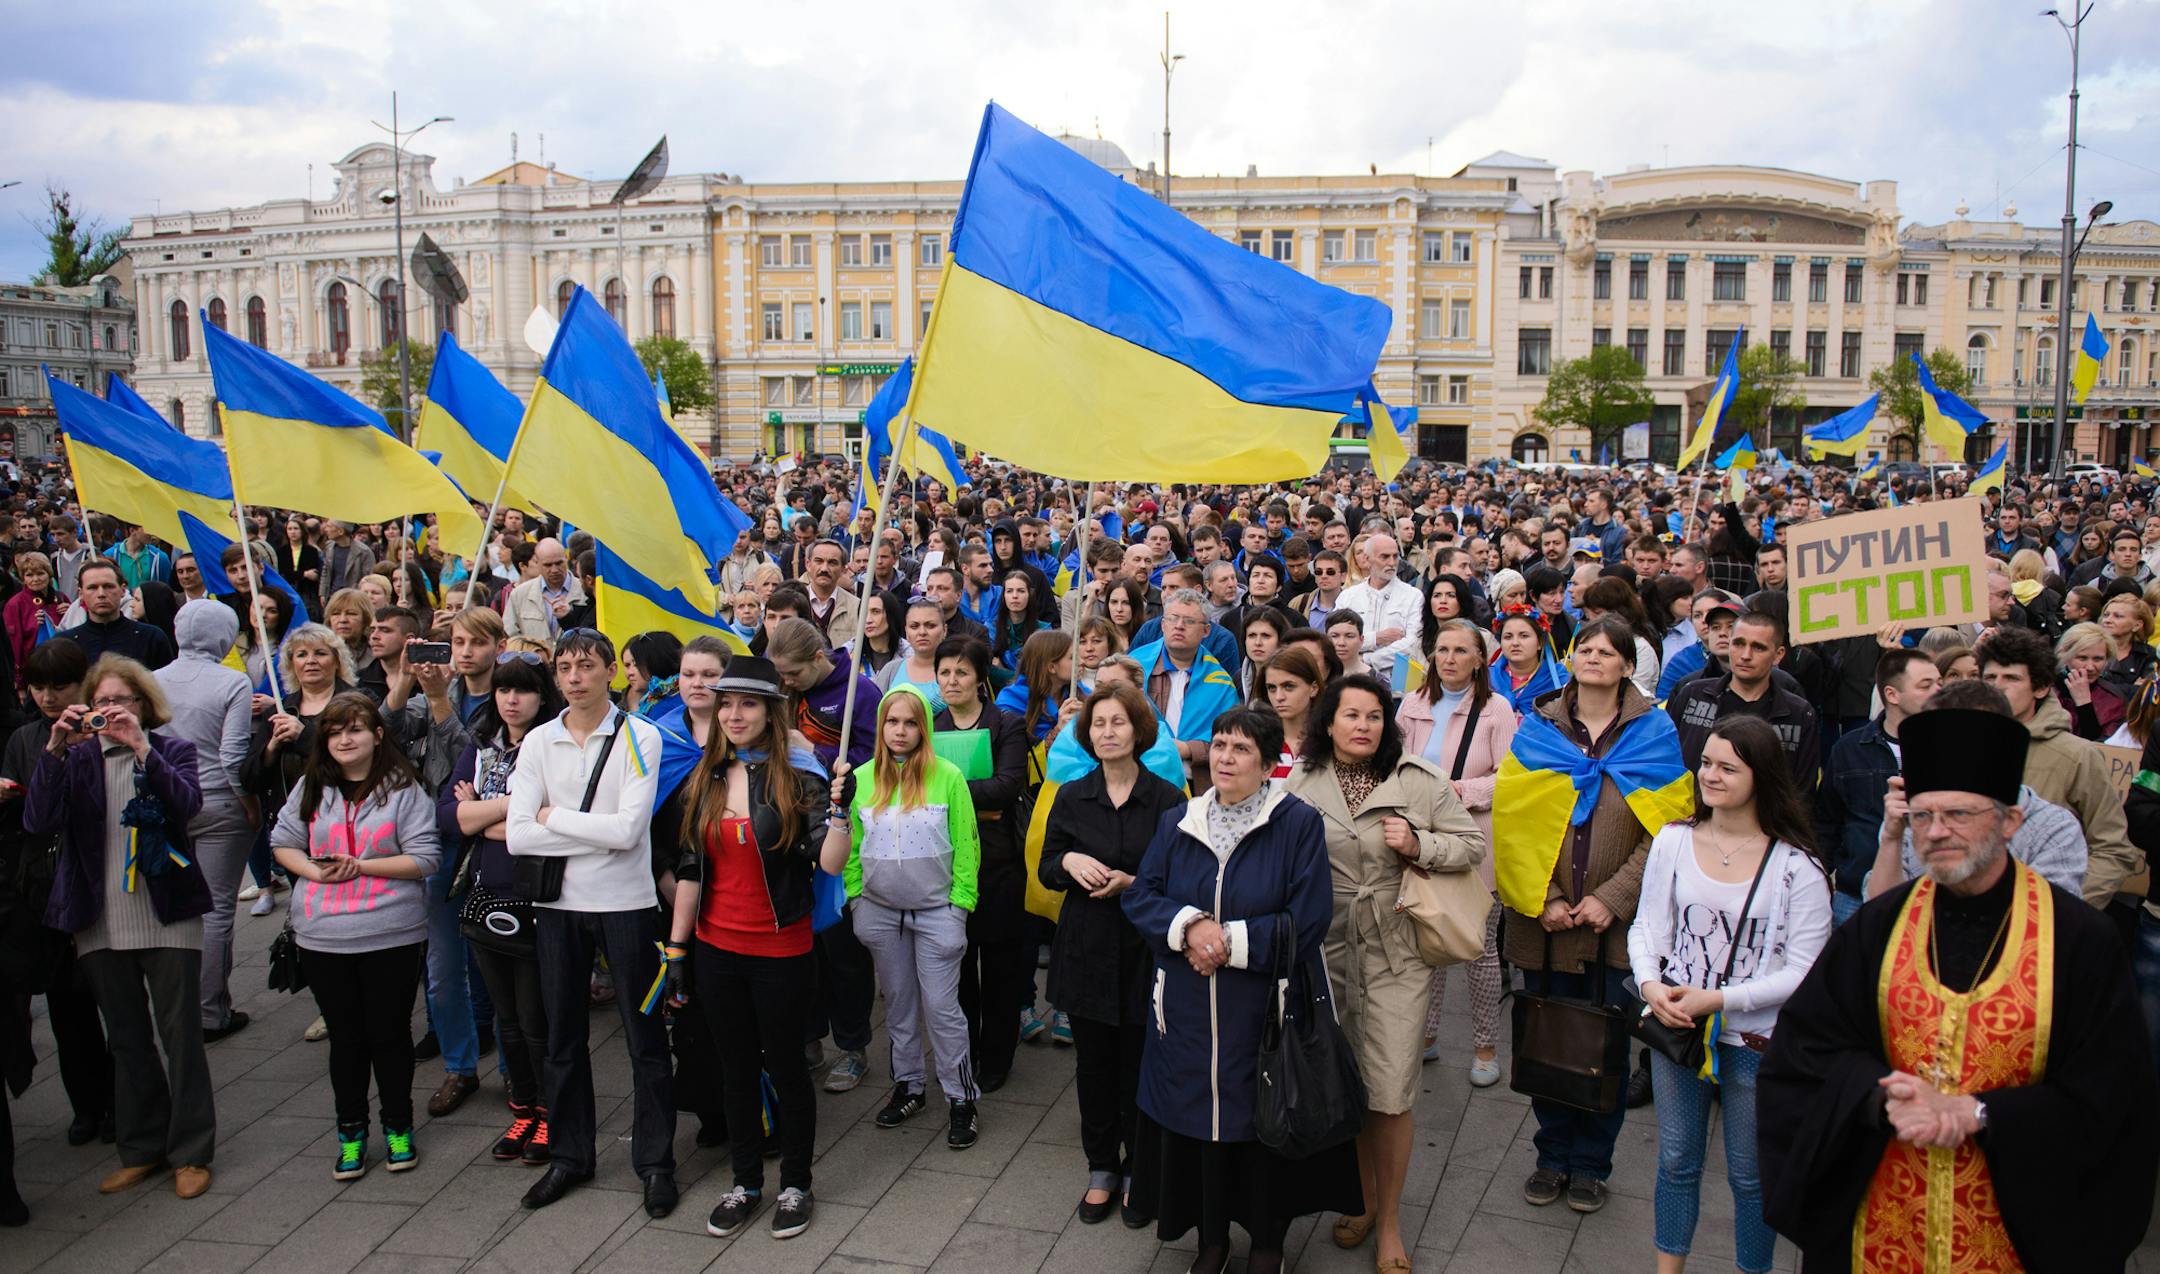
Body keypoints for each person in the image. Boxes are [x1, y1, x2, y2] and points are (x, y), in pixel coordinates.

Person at [1757, 706, 2160, 1272]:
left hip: (2016, 1232)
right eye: (1922, 817)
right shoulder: (1878, 927)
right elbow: (1803, 1055)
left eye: (1957, 814)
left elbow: (2114, 1097)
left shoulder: (2078, 940)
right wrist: (1874, 1097)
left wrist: (1980, 1114)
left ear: (2010, 821)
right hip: (1882, 1220)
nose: (1937, 832)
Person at [1121, 707, 1361, 1274]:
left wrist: (1224, 940)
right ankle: (1210, 1240)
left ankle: (1269, 1243)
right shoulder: (1181, 819)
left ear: (1270, 761)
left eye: (1241, 749)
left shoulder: (1297, 823)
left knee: (1259, 1131)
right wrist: (1189, 928)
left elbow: (1307, 917)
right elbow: (1143, 896)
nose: (1226, 759)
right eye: (1221, 746)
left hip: (1263, 1012)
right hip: (1185, 1009)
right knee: (1198, 1131)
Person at [1492, 617, 1695, 1214]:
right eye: (1586, 650)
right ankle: (1551, 1156)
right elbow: (1516, 818)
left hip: (1616, 928)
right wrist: (1548, 896)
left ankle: (1591, 1165)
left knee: (1605, 1044)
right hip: (1547, 920)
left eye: (1609, 652)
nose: (1595, 659)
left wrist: (1614, 898)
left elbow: (1667, 827)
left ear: (1628, 666)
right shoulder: (1540, 725)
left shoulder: (1655, 730)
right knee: (1546, 1036)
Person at [1288, 674, 1484, 1272]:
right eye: (1351, 715)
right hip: (1325, 952)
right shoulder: (1299, 783)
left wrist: (1420, 843)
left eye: (1375, 716)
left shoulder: (1415, 781)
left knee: (1392, 1090)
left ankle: (1391, 1220)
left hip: (1397, 949)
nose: (1363, 727)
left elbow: (1472, 844)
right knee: (1346, 1081)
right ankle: (1363, 1199)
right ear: (1328, 721)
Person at [1628, 717, 1832, 1274]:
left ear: (1760, 775)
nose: (1710, 776)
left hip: (1757, 1043)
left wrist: (1719, 1001)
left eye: (1727, 767)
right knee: (1675, 1161)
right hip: (1677, 1029)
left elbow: (1804, 970)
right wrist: (1651, 986)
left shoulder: (1797, 867)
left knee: (1750, 1174)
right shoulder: (1673, 840)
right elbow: (1647, 926)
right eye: (1707, 763)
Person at [504, 629, 677, 1218]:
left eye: (587, 666)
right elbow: (517, 832)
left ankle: (655, 1163)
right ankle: (570, 1157)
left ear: (612, 671)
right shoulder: (538, 743)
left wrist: (554, 817)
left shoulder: (641, 736)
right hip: (558, 909)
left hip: (626, 907)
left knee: (645, 1039)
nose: (574, 678)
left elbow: (630, 832)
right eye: (565, 668)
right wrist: (580, 828)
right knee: (562, 1040)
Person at [27, 654, 212, 1200]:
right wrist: (55, 750)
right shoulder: (77, 758)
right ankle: (142, 1147)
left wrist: (141, 748)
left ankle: (192, 1151)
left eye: (121, 701)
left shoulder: (169, 749)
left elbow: (188, 807)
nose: (111, 709)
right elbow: (38, 821)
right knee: (127, 1040)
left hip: (167, 913)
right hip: (98, 918)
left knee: (181, 1038)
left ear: (143, 704)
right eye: (101, 701)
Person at [663, 656, 826, 1241]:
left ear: (770, 711)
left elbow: (823, 863)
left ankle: (797, 1184)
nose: (733, 713)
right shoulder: (703, 777)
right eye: (727, 702)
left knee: (785, 1066)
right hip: (715, 948)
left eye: (748, 703)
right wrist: (677, 950)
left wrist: (844, 819)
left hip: (781, 947)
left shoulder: (800, 778)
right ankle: (745, 1181)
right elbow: (689, 869)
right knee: (733, 1070)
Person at [270, 693, 441, 1180]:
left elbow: (426, 858)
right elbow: (282, 842)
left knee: (389, 1036)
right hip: (322, 936)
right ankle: (350, 1133)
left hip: (392, 933)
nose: (345, 739)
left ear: (377, 735)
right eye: (334, 731)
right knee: (345, 1040)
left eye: (356, 729)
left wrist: (360, 866)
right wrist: (313, 873)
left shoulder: (404, 788)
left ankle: (398, 1127)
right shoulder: (311, 786)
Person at [1038, 681, 1187, 1225]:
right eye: (1098, 724)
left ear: (1139, 730)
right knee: (1094, 1065)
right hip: (1086, 949)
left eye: (1117, 722)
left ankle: (1139, 1165)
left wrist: (1134, 882)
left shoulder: (1168, 799)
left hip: (1145, 951)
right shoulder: (1073, 796)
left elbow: (1182, 878)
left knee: (1140, 1064)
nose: (1107, 732)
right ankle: (1101, 1166)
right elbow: (1047, 866)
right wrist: (1071, 862)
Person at [817, 686, 984, 1147]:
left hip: (937, 912)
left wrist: (959, 907)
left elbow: (967, 845)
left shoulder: (947, 776)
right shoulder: (862, 778)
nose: (901, 731)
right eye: (893, 722)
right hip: (881, 912)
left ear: (924, 728)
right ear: (881, 727)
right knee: (900, 1005)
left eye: (911, 723)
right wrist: (857, 900)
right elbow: (847, 842)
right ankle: (909, 1084)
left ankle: (960, 1097)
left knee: (943, 1009)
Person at [440, 652, 563, 1167]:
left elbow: (548, 820)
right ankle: (523, 1108)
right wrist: (508, 811)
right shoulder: (481, 746)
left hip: (537, 897)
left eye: (523, 690)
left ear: (542, 697)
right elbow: (450, 817)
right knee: (507, 1021)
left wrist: (485, 814)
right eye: (503, 690)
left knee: (539, 1019)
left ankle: (550, 1110)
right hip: (485, 896)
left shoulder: (553, 748)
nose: (511, 700)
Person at [1397, 617, 1517, 1084]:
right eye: (1442, 650)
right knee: (1427, 937)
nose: (1449, 659)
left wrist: (1457, 791)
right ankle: (1425, 1036)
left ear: (1479, 659)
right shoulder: (1412, 703)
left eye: (1460, 651)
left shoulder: (1497, 709)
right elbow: (1395, 763)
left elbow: (1510, 779)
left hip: (1475, 839)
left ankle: (1485, 1046)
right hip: (1420, 838)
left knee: (1479, 948)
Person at [1973, 623, 2142, 907]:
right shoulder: (1963, 746)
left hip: (2043, 924)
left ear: (2039, 688)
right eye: (1990, 677)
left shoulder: (2077, 755)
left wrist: (2063, 907)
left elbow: (2113, 848)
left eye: (2011, 678)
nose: (1998, 687)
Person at [152, 601, 257, 1043]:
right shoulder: (233, 682)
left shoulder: (153, 680)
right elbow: (233, 755)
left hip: (168, 803)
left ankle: (177, 1006)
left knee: (177, 909)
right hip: (218, 805)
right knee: (215, 909)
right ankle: (210, 1011)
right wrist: (249, 804)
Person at [931, 637, 1033, 1093]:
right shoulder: (929, 724)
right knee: (958, 965)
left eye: (961, 673)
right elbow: (915, 785)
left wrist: (948, 796)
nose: (952, 681)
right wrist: (974, 796)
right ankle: (965, 1049)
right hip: (945, 861)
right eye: (945, 672)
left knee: (1001, 969)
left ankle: (997, 1055)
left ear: (979, 679)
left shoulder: (1004, 725)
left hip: (999, 861)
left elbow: (1008, 785)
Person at [1813, 647, 1939, 924]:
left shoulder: (1948, 748)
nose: (1938, 692)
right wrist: (1818, 883)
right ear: (1892, 695)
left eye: (1939, 683)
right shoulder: (1849, 749)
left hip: (1931, 896)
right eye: (1925, 685)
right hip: (1854, 897)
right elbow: (1827, 823)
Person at [1667, 610, 1819, 792]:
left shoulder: (1800, 713)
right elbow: (1665, 761)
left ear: (1778, 655)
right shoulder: (1691, 694)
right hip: (1691, 815)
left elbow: (1803, 792)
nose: (1746, 655)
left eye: (1758, 647)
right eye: (1738, 644)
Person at [1129, 590, 1243, 790]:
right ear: (1163, 625)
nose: (1179, 626)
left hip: (1194, 784)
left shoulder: (1220, 684)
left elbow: (1234, 740)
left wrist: (1189, 749)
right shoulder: (1132, 667)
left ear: (1206, 631)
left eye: (1189, 621)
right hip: (1136, 774)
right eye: (1173, 619)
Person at [56, 558, 175, 669]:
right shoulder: (65, 644)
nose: (101, 594)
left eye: (108, 586)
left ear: (123, 590)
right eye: (92, 588)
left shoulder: (151, 638)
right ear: (81, 593)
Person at [2053, 620, 2127, 740]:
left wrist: (2084, 704)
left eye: (2098, 659)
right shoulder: (2044, 687)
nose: (2090, 667)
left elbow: (2102, 746)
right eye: (2082, 658)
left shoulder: (2112, 699)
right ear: (2065, 655)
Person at [3, 551, 65, 691]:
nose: (35, 579)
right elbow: (13, 645)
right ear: (23, 578)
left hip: (62, 669)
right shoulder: (15, 604)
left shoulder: (61, 598)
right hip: (32, 675)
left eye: (40, 573)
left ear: (49, 575)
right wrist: (19, 684)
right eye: (29, 575)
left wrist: (70, 613)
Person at [1488, 606, 1566, 714]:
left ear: (1540, 643)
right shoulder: (1487, 679)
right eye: (1508, 637)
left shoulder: (1558, 680)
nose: (1515, 643)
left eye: (1524, 636)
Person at [874, 598, 948, 711]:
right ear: (906, 632)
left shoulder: (957, 671)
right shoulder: (891, 670)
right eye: (914, 626)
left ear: (944, 630)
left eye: (930, 625)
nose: (922, 632)